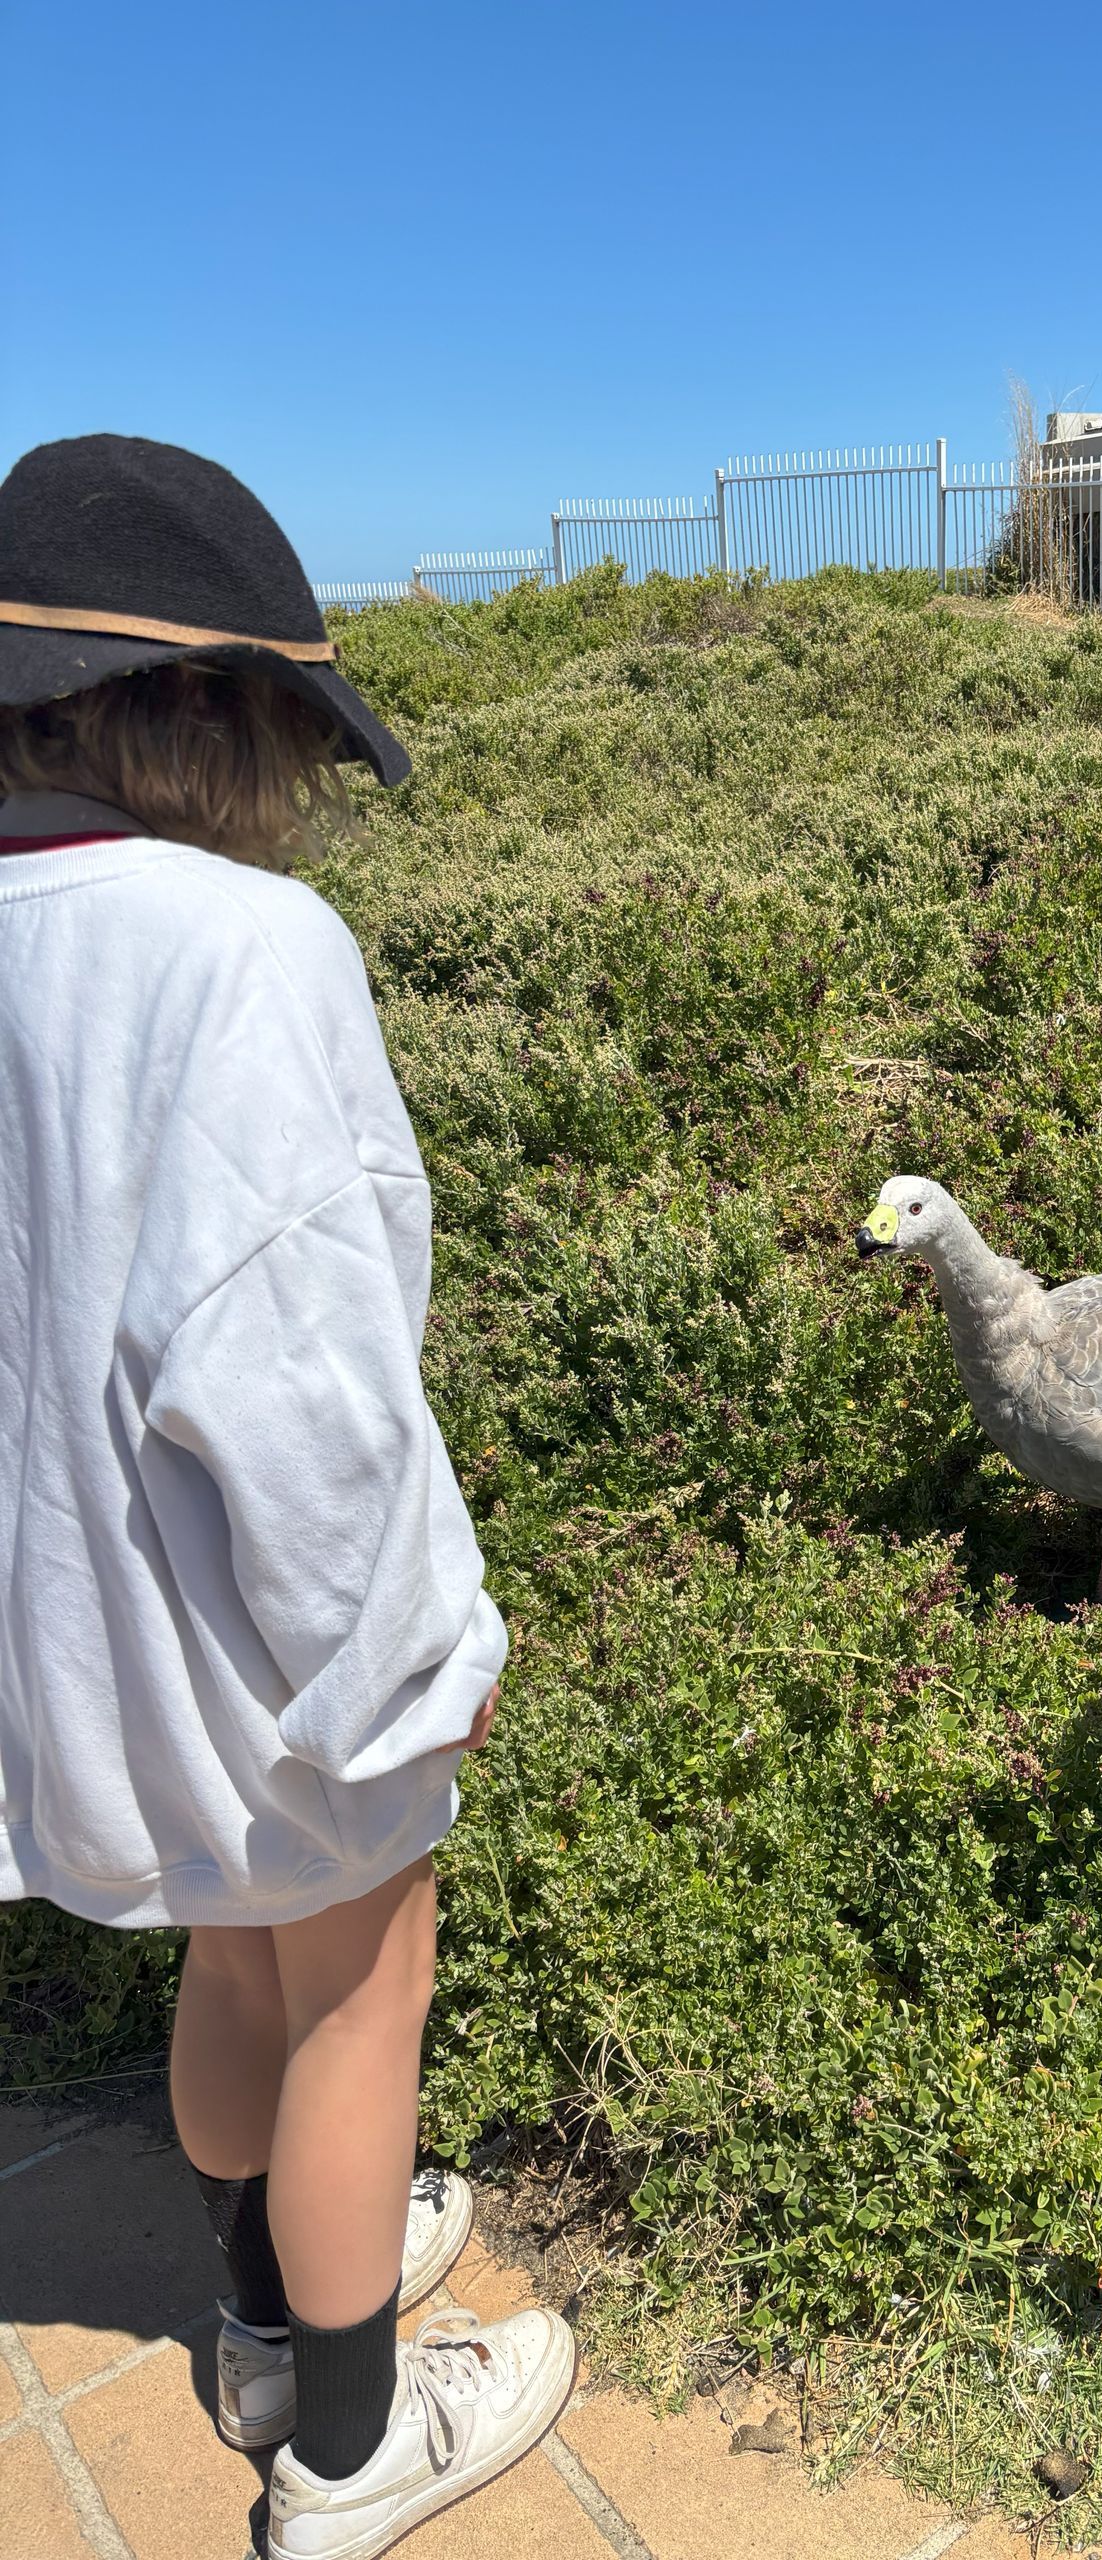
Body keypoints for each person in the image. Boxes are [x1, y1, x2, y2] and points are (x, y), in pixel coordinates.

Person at [0, 435, 576, 2558]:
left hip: (79, 1623)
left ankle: (257, 2317)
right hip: (264, 1618)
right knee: (359, 1986)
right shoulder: (243, 950)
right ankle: (345, 2439)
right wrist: (421, 1657)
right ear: (210, 713)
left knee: (232, 1966)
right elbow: (306, 1391)